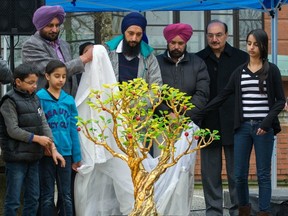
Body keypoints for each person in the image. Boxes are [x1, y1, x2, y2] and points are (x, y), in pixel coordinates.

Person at [202, 29, 285, 216]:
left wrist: (266, 123)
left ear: (263, 46)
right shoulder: (240, 71)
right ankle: (244, 211)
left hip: (264, 129)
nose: (251, 47)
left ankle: (264, 211)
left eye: (256, 44)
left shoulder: (271, 70)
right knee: (239, 175)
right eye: (249, 43)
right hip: (242, 128)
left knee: (263, 175)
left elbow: (280, 100)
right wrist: (199, 113)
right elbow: (223, 94)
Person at [156, 23, 210, 215]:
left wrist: (183, 116)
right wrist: (167, 114)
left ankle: (181, 211)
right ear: (167, 42)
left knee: (184, 172)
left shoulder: (198, 63)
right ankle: (160, 209)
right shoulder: (157, 63)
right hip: (161, 126)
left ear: (186, 42)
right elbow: (153, 92)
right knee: (161, 168)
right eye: (173, 42)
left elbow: (202, 94)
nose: (176, 46)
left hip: (188, 127)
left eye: (180, 43)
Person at [196, 20, 249, 216]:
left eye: (218, 35)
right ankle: (213, 211)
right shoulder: (198, 59)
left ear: (226, 35)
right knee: (210, 175)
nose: (214, 39)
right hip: (207, 124)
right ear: (206, 36)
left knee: (237, 174)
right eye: (210, 35)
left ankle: (237, 211)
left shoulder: (242, 58)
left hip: (236, 124)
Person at [0, 63, 65, 216]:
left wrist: (52, 147)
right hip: (16, 158)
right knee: (13, 200)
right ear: (18, 82)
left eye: (36, 82)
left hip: (34, 157)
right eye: (30, 83)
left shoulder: (35, 99)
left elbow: (44, 123)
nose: (35, 86)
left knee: (33, 198)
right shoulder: (9, 100)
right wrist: (37, 139)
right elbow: (13, 130)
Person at [36, 60, 81, 216]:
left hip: (66, 153)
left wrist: (77, 156)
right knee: (47, 194)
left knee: (66, 194)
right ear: (47, 76)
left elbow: (73, 129)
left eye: (63, 76)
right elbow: (37, 126)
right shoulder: (39, 98)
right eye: (57, 76)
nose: (61, 80)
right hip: (46, 153)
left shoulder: (69, 100)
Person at [22, 5, 93, 97]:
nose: (54, 30)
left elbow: (71, 76)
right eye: (50, 26)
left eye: (57, 25)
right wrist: (84, 58)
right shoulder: (31, 46)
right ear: (40, 26)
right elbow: (54, 71)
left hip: (69, 101)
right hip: (46, 103)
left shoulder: (64, 45)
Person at [104, 12, 162, 86]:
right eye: (131, 33)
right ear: (124, 32)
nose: (134, 38)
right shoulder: (108, 52)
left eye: (138, 34)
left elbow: (156, 87)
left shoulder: (149, 58)